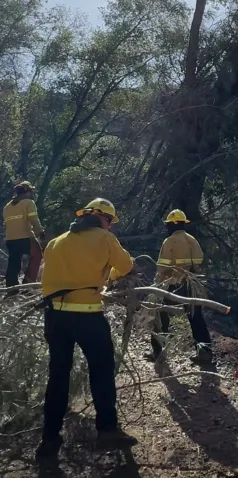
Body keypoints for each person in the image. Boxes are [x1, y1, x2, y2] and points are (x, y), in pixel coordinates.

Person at [35, 198, 138, 461]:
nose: (110, 227)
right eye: (110, 221)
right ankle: (106, 430)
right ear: (103, 218)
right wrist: (109, 275)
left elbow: (47, 277)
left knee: (58, 376)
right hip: (88, 317)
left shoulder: (56, 242)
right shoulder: (104, 239)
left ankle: (49, 438)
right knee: (102, 372)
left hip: (56, 317)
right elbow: (126, 266)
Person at [146, 209, 213, 365]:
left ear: (173, 224)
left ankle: (157, 352)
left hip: (172, 285)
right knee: (196, 318)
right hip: (191, 284)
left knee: (158, 314)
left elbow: (162, 267)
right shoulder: (192, 240)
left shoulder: (169, 241)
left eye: (168, 224)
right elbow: (198, 263)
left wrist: (158, 284)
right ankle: (205, 353)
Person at [3, 181, 45, 290]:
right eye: (30, 192)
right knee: (37, 256)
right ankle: (29, 284)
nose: (30, 194)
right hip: (25, 238)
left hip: (10, 240)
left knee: (14, 262)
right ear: (26, 192)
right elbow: (34, 220)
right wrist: (40, 233)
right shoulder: (28, 202)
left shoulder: (7, 207)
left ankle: (11, 287)